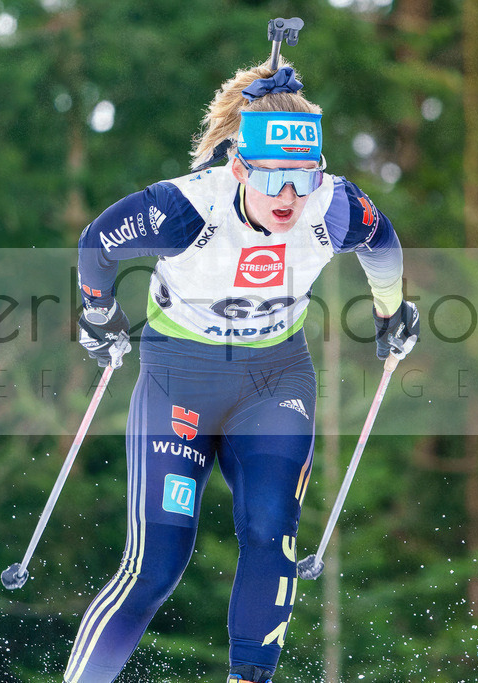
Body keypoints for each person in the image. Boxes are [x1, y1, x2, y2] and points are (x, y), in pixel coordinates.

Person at [64, 58, 419, 683]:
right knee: (157, 564)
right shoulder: (186, 209)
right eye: (273, 178)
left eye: (302, 178)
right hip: (182, 377)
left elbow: (382, 243)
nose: (288, 197)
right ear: (239, 167)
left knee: (271, 531)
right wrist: (97, 313)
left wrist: (392, 312)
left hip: (274, 378)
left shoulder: (332, 206)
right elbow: (99, 243)